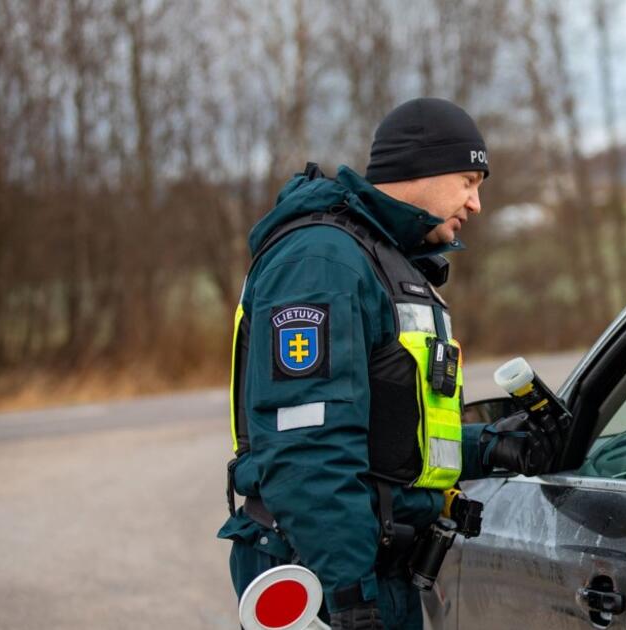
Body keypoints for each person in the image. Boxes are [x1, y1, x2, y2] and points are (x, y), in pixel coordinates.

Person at [218, 98, 565, 630]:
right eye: (468, 181)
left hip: (372, 571)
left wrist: (493, 446)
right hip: (325, 576)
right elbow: (309, 446)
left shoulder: (384, 259)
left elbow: (392, 441)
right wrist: (351, 599)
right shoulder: (322, 262)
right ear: (421, 168)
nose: (475, 203)